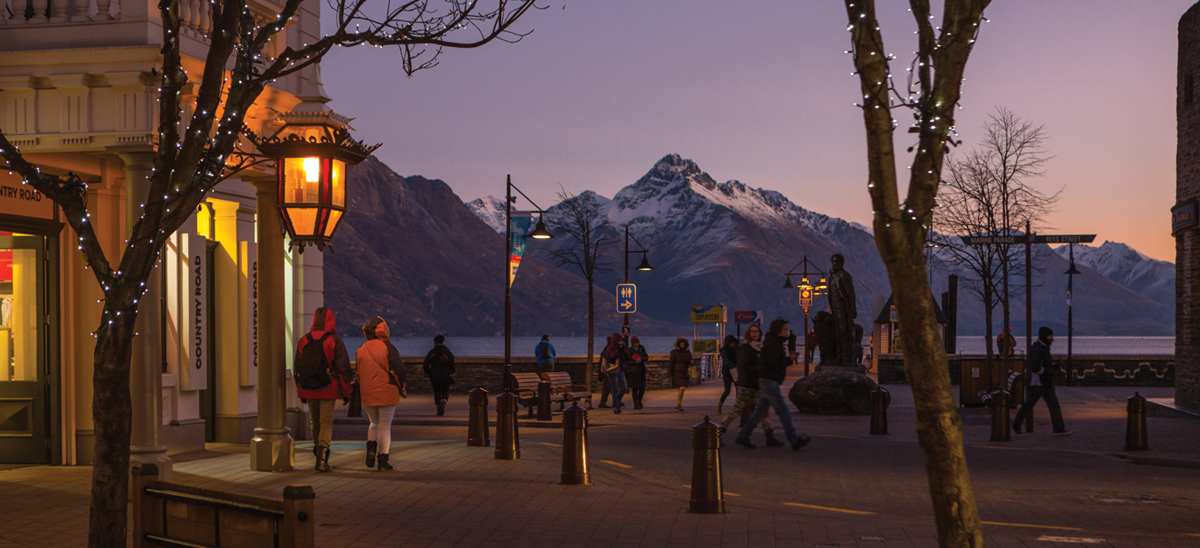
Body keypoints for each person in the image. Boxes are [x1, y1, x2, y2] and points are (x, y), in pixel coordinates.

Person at [736, 317, 812, 451]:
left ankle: (743, 435)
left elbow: (775, 361)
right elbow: (774, 364)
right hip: (769, 381)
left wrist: (789, 359)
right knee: (783, 411)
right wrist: (790, 359)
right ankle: (794, 439)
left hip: (768, 381)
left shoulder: (774, 342)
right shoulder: (772, 344)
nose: (786, 332)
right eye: (785, 329)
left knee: (759, 412)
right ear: (778, 330)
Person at [293, 307, 354, 473]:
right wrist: (346, 391)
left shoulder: (304, 340)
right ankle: (322, 459)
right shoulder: (334, 340)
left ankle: (317, 449)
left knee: (315, 421)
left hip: (308, 388)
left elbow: (297, 367)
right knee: (326, 422)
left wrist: (301, 389)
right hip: (328, 388)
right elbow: (343, 369)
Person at [356, 317, 406, 471]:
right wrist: (402, 386)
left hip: (368, 391)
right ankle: (383, 459)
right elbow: (399, 369)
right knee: (385, 426)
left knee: (373, 422)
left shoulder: (361, 349)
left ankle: (371, 450)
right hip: (386, 390)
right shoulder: (388, 347)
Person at [719, 324, 781, 447]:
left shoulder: (758, 349)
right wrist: (760, 369)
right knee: (736, 411)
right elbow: (743, 366)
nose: (754, 333)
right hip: (746, 385)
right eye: (752, 331)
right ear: (748, 334)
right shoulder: (744, 348)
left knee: (763, 411)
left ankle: (768, 437)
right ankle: (718, 433)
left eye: (756, 331)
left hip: (756, 386)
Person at [1013, 327, 1069, 435]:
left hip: (1045, 382)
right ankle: (1016, 425)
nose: (1051, 339)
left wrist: (1053, 366)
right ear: (1044, 337)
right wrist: (1048, 370)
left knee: (1051, 405)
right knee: (1031, 405)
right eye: (1050, 337)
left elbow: (1042, 364)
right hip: (1037, 383)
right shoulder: (1038, 349)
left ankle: (1058, 428)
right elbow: (1035, 367)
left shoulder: (1042, 347)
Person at [423, 334, 455, 416]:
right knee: (445, 389)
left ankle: (438, 407)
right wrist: (451, 372)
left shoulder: (432, 352)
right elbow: (452, 362)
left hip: (435, 375)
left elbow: (425, 364)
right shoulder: (447, 352)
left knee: (436, 391)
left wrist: (429, 372)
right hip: (446, 374)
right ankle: (444, 399)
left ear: (434, 342)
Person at [600, 333, 632, 414]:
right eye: (620, 340)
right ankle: (615, 407)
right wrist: (617, 351)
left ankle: (616, 402)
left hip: (621, 370)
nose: (621, 342)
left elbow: (628, 357)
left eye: (622, 340)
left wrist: (624, 351)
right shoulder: (610, 348)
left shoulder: (622, 348)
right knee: (615, 389)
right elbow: (611, 358)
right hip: (613, 371)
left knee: (624, 388)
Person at [669, 337, 693, 412]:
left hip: (684, 372)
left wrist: (692, 362)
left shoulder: (687, 352)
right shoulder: (674, 352)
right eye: (681, 343)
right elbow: (671, 364)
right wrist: (669, 375)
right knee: (682, 388)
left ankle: (679, 404)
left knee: (681, 388)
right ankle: (678, 405)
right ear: (678, 344)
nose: (682, 344)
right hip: (676, 372)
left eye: (684, 343)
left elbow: (690, 360)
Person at [627, 336, 650, 409]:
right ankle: (636, 404)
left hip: (641, 370)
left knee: (642, 388)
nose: (637, 344)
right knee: (635, 388)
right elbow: (627, 361)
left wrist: (642, 359)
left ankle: (639, 401)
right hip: (633, 372)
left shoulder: (642, 348)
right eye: (635, 343)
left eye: (638, 342)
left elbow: (646, 357)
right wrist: (634, 362)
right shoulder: (629, 350)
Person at [717, 335, 738, 414]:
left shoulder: (737, 349)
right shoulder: (723, 350)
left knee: (739, 390)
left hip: (736, 372)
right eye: (731, 343)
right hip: (727, 373)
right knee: (727, 391)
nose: (733, 345)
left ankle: (737, 407)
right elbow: (726, 361)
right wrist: (735, 367)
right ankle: (719, 405)